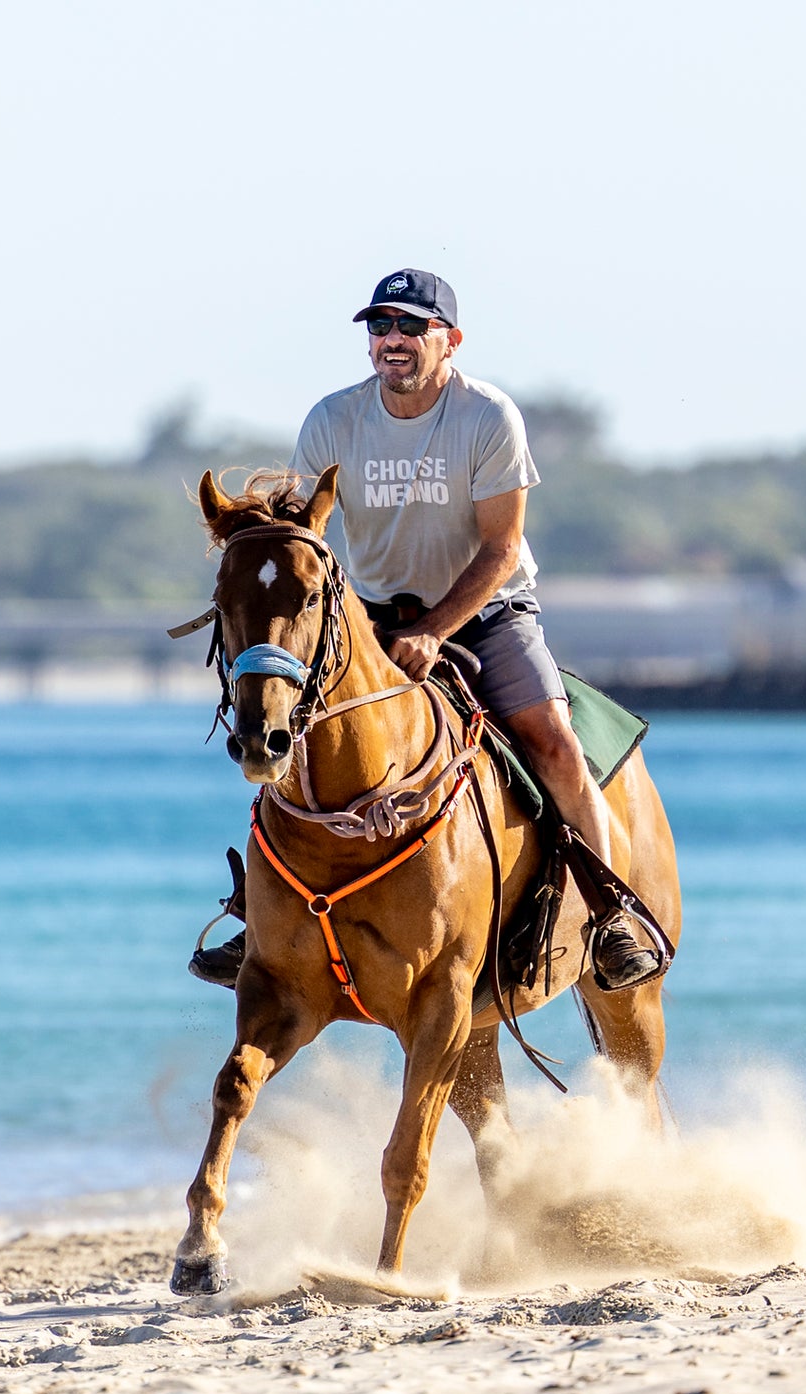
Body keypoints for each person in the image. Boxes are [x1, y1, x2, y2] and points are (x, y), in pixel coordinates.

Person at [191, 267, 663, 992]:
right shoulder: (332, 419)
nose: (392, 340)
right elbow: (302, 533)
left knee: (556, 744)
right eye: (380, 327)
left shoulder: (487, 417)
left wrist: (438, 630)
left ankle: (610, 916)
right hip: (372, 618)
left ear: (451, 340)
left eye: (411, 326)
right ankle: (261, 920)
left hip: (488, 611)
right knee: (288, 736)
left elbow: (502, 547)